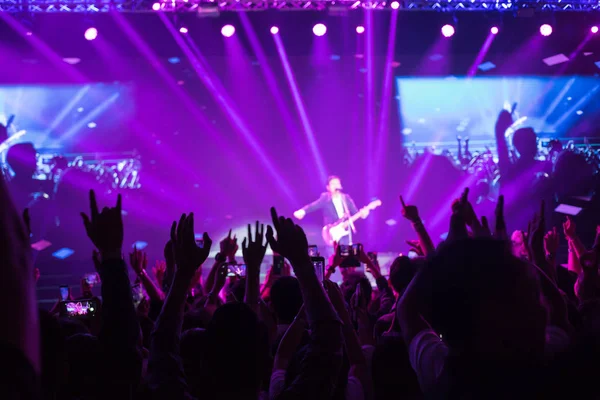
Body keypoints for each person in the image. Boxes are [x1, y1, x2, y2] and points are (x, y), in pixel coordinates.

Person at [293, 175, 368, 245]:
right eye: (333, 184)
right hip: (331, 232)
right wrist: (303, 211)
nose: (336, 185)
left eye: (337, 183)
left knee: (346, 255)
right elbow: (314, 205)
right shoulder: (325, 198)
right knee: (333, 256)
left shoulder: (346, 198)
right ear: (328, 187)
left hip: (345, 232)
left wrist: (363, 215)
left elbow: (355, 213)